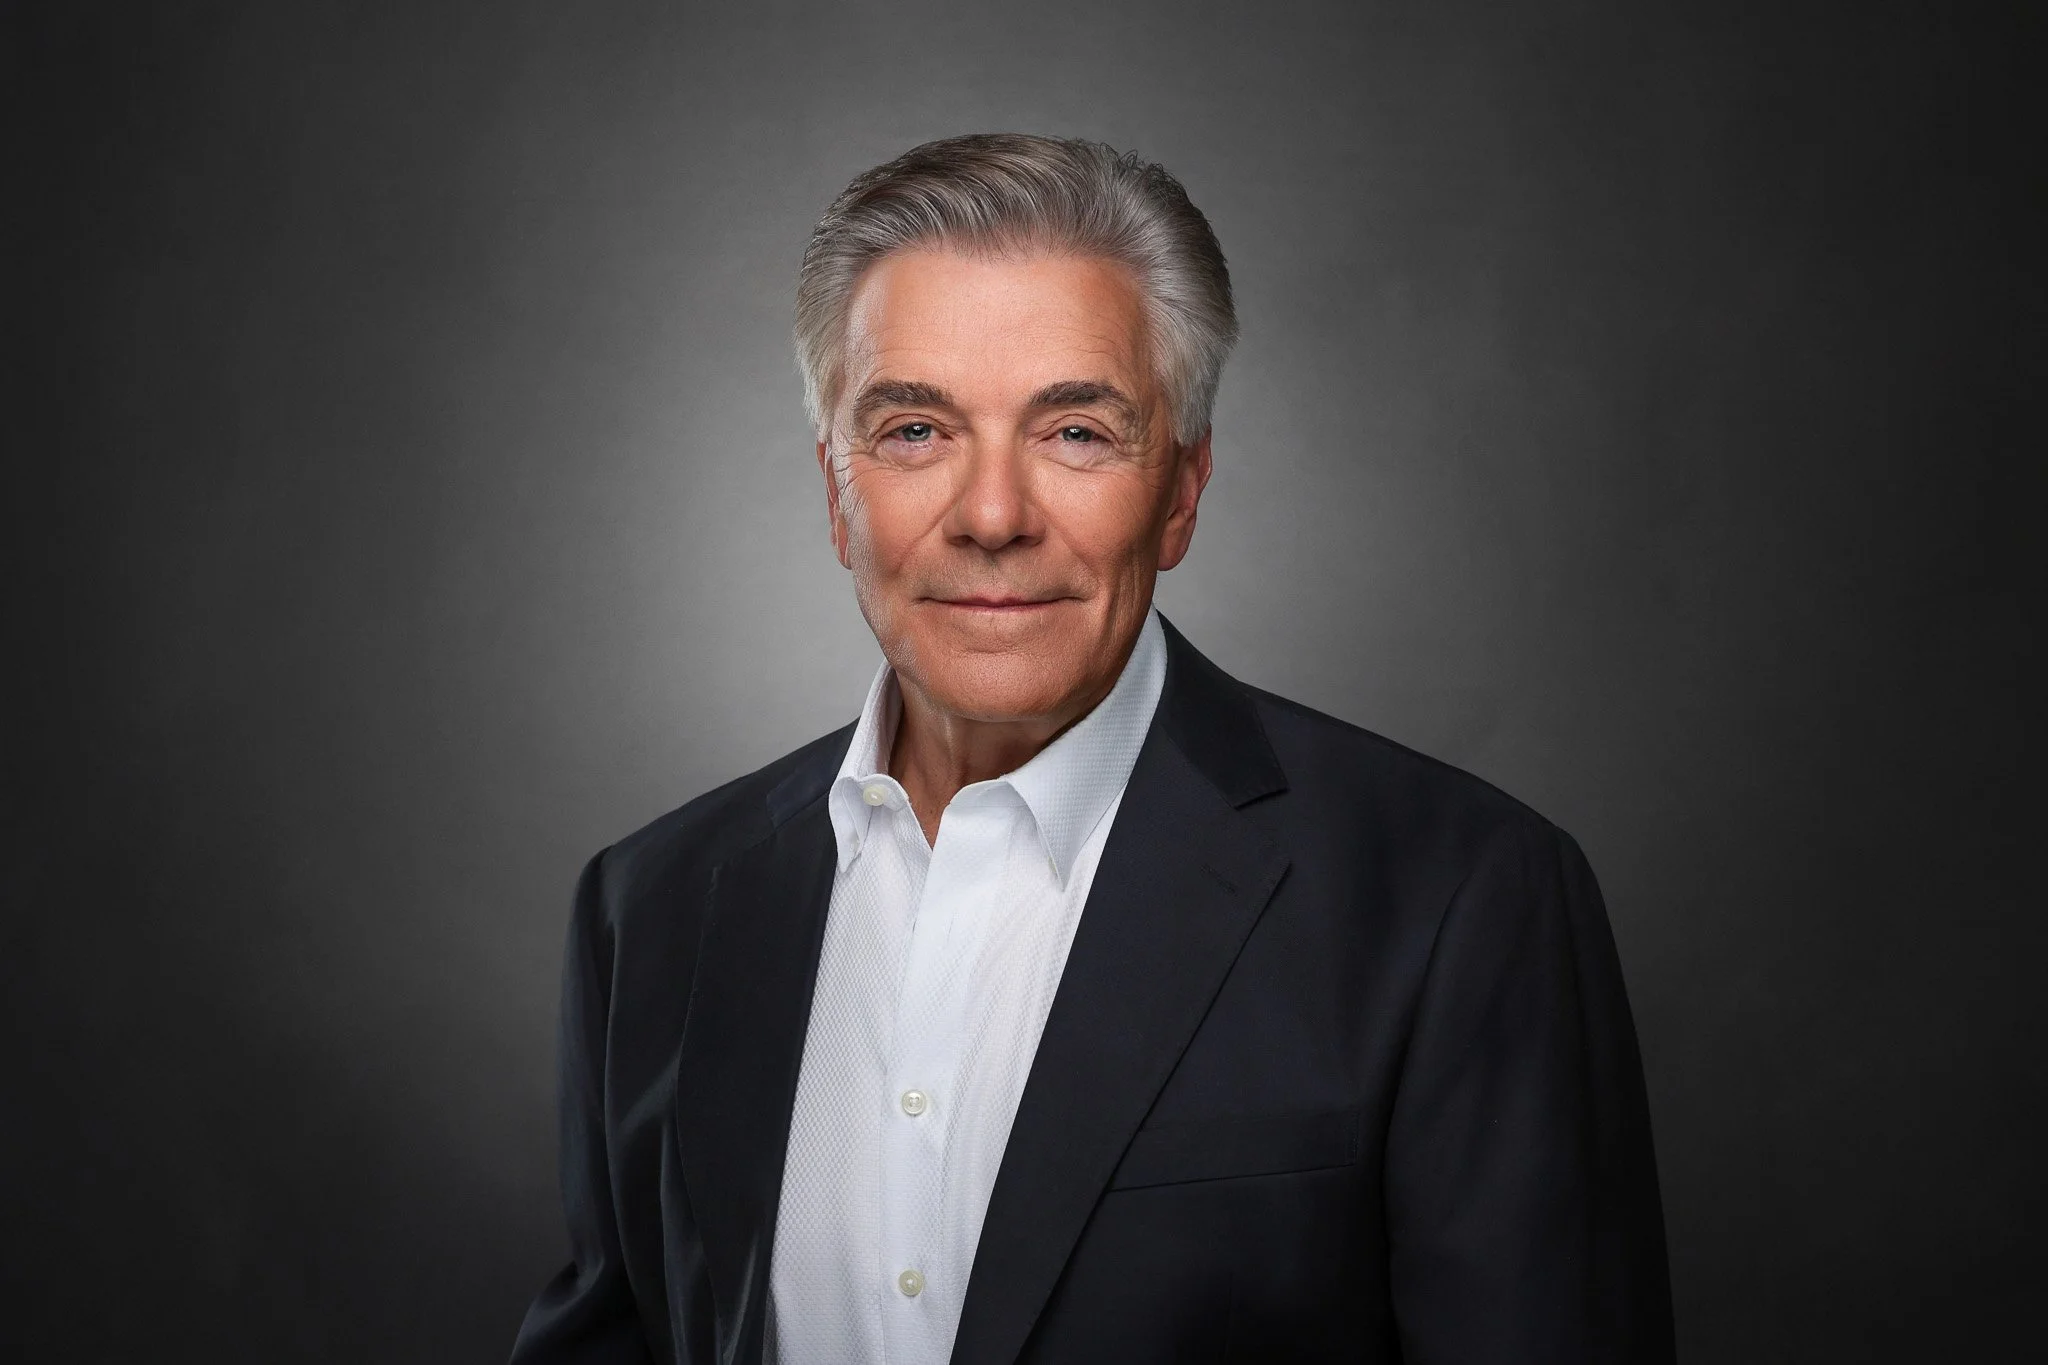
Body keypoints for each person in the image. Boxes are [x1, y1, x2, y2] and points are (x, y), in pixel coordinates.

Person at [509, 132, 1673, 1365]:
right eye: (913, 431)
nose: (994, 515)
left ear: (1180, 489)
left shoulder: (1457, 900)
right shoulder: (650, 910)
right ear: (834, 491)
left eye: (1074, 432)